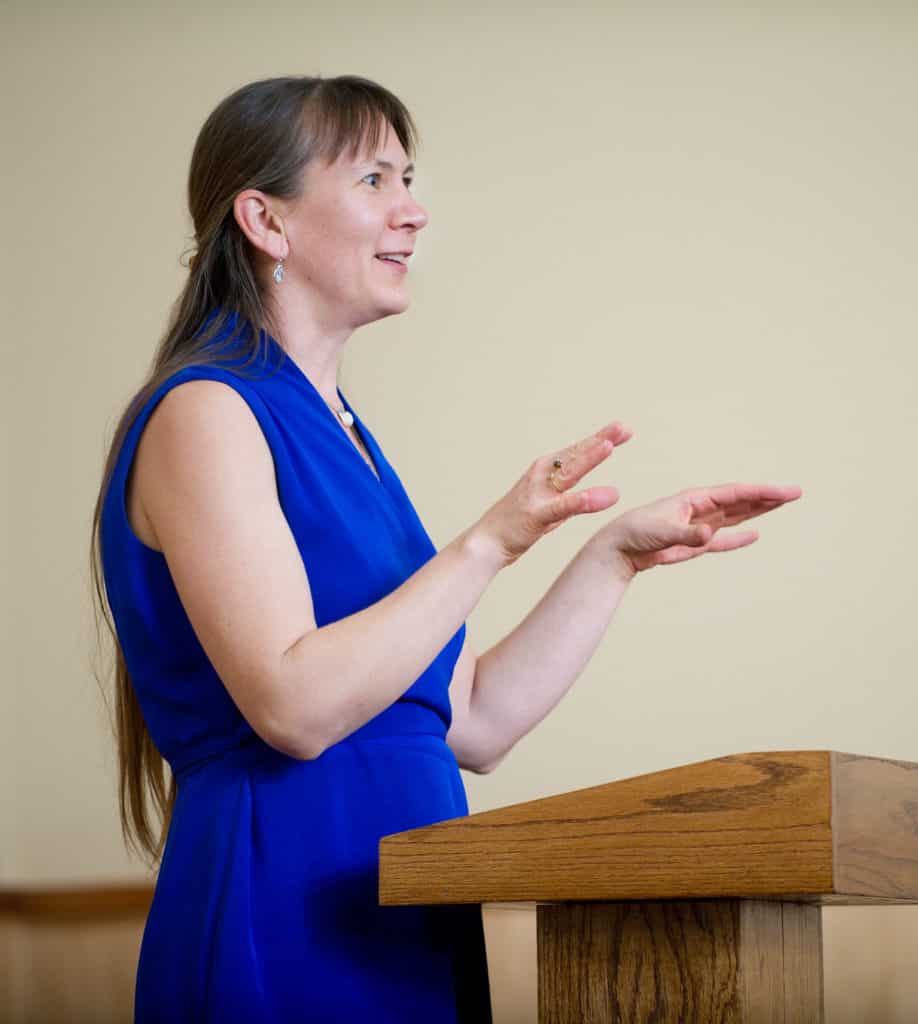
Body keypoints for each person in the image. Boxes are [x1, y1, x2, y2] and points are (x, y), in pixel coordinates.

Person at [90, 74, 801, 1023]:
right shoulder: (207, 413)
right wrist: (490, 542)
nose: (414, 213)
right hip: (280, 902)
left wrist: (612, 556)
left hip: (404, 909)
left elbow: (471, 719)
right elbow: (296, 708)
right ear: (266, 220)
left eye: (409, 179)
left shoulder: (346, 435)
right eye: (375, 180)